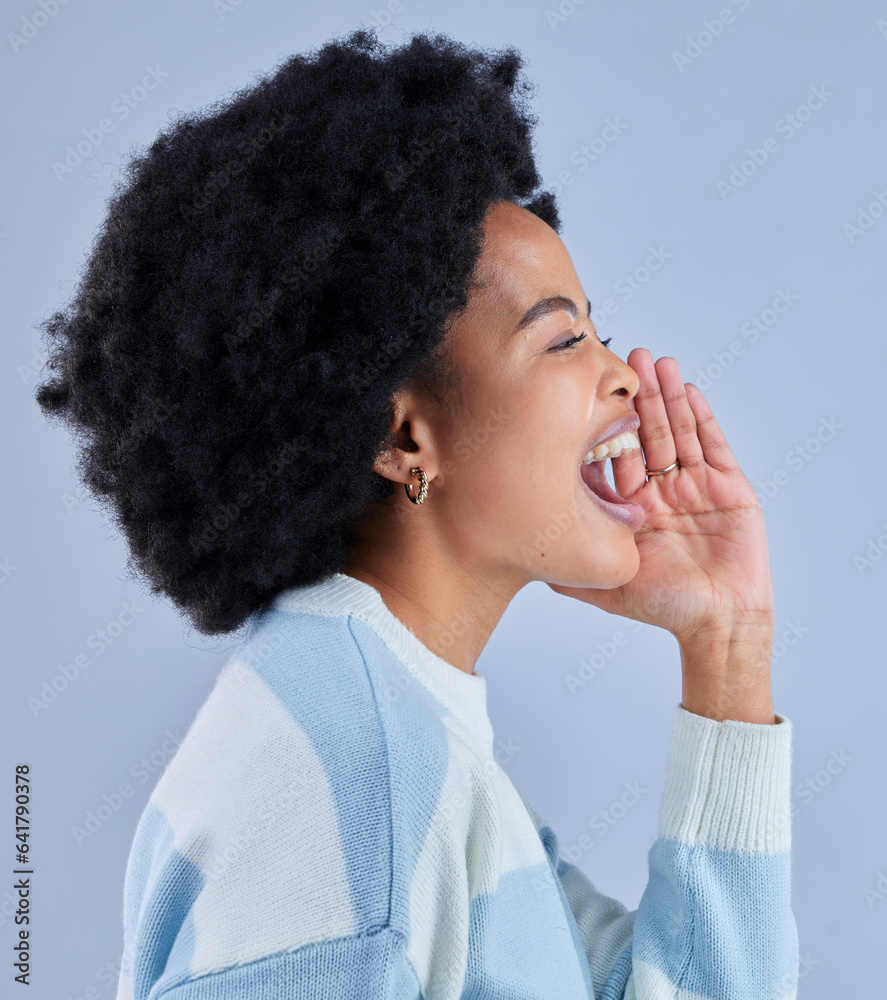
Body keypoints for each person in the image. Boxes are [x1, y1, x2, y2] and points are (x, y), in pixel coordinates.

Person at [34, 26, 798, 1000]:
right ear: (401, 439)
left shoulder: (407, 750)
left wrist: (727, 638)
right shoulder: (350, 781)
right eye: (563, 341)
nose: (622, 377)